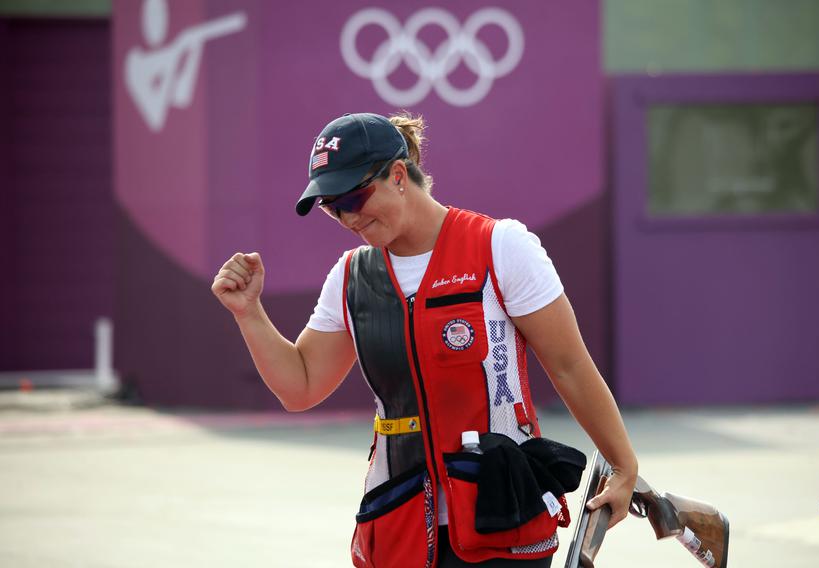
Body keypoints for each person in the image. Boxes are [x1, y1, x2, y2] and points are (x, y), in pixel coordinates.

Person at [211, 112, 638, 567]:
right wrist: (248, 312)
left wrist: (623, 464)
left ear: (398, 175)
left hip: (500, 518)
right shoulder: (351, 277)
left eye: (355, 197)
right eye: (331, 207)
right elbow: (300, 386)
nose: (347, 217)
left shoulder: (501, 246)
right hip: (399, 527)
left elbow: (569, 365)